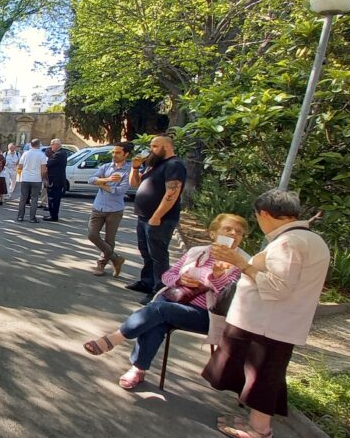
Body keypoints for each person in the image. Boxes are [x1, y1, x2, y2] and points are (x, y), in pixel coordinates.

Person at [202, 190, 330, 438]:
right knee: (263, 376)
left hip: (267, 324)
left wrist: (241, 264)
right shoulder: (304, 238)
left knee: (262, 377)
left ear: (264, 213)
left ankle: (259, 429)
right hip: (272, 322)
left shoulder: (288, 243)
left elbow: (277, 287)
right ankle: (255, 423)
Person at [84, 214, 250, 390]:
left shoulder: (243, 262)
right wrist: (181, 280)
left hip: (207, 315)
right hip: (176, 303)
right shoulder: (197, 252)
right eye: (228, 229)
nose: (233, 234)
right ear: (213, 234)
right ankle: (137, 369)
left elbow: (229, 297)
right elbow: (167, 276)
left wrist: (214, 277)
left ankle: (115, 339)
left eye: (238, 232)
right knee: (157, 318)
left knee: (159, 309)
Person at [126, 135, 187, 303]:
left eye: (154, 146)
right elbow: (134, 184)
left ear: (166, 147)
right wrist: (135, 168)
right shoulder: (154, 164)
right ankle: (147, 282)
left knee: (158, 255)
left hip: (160, 219)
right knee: (146, 252)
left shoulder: (174, 165)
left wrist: (157, 216)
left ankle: (160, 290)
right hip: (144, 216)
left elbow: (172, 193)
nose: (151, 149)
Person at [87, 141, 133, 276]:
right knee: (92, 234)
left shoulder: (128, 171)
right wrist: (106, 180)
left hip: (115, 210)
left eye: (118, 152)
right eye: (113, 152)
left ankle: (101, 264)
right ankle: (116, 258)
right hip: (98, 207)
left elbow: (120, 190)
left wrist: (101, 184)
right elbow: (91, 180)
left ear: (126, 154)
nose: (114, 155)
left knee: (109, 239)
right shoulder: (106, 166)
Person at [16, 139, 48, 222]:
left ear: (31, 144)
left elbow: (19, 166)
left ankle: (20, 216)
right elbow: (44, 169)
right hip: (36, 179)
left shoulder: (25, 154)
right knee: (34, 199)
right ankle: (32, 218)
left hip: (25, 178)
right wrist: (42, 177)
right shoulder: (41, 155)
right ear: (39, 145)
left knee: (23, 198)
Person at [44, 139, 68, 221]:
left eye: (52, 144)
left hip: (55, 181)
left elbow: (49, 163)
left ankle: (53, 216)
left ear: (57, 145)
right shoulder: (61, 153)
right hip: (57, 180)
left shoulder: (59, 154)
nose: (51, 147)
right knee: (53, 198)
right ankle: (53, 215)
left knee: (53, 199)